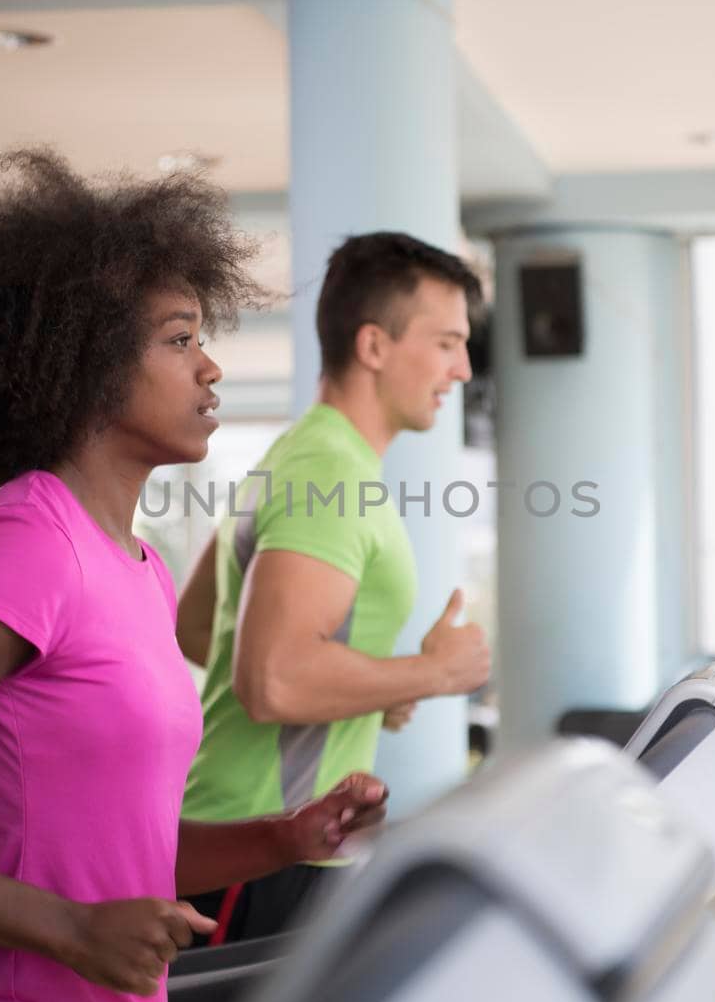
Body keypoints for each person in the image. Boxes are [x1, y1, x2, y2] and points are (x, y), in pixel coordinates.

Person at [0, 150, 386, 1002]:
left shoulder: (136, 566)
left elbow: (116, 850)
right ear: (84, 361)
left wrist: (280, 837)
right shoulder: (30, 538)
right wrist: (66, 928)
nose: (210, 365)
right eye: (179, 339)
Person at [177, 231, 490, 941]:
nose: (464, 368)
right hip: (260, 845)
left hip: (266, 839)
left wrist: (371, 691)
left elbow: (199, 627)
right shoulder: (330, 474)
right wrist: (432, 672)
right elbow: (274, 680)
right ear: (375, 347)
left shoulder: (303, 452)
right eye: (446, 343)